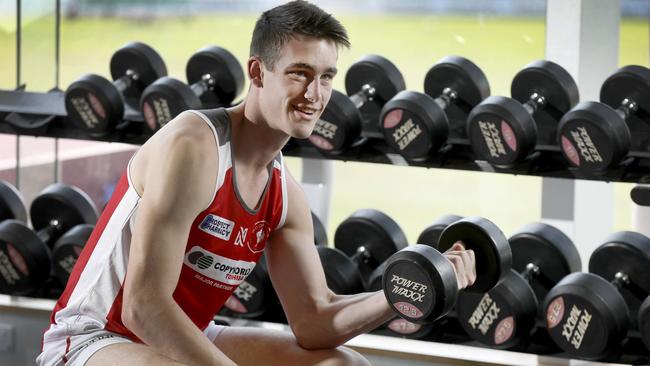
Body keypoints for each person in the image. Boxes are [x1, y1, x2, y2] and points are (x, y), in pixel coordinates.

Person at [37, 1, 476, 365]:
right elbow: (144, 306)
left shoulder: (285, 196)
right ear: (258, 72)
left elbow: (316, 320)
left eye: (326, 77)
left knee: (344, 363)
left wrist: (412, 289)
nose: (315, 95)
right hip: (93, 338)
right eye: (299, 73)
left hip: (189, 333)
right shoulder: (195, 146)